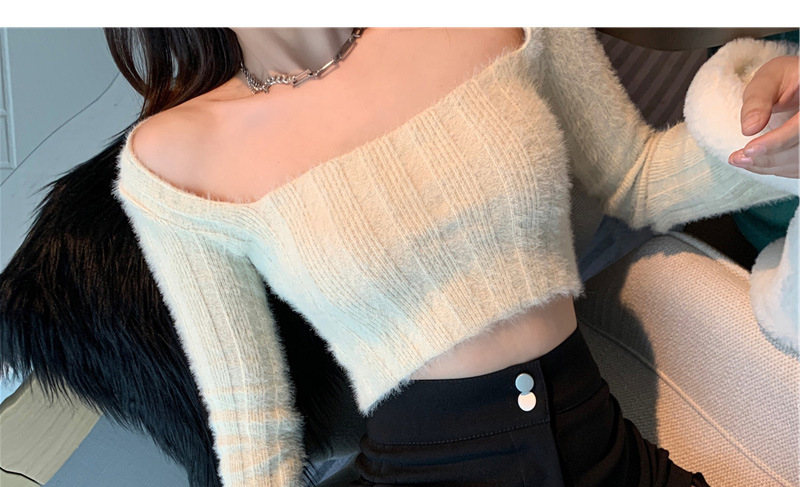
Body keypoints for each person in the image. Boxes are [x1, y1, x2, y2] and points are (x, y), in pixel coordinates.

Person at [105, 27, 794, 487]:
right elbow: (254, 430)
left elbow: (636, 180)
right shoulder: (171, 160)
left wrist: (768, 134)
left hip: (609, 456)